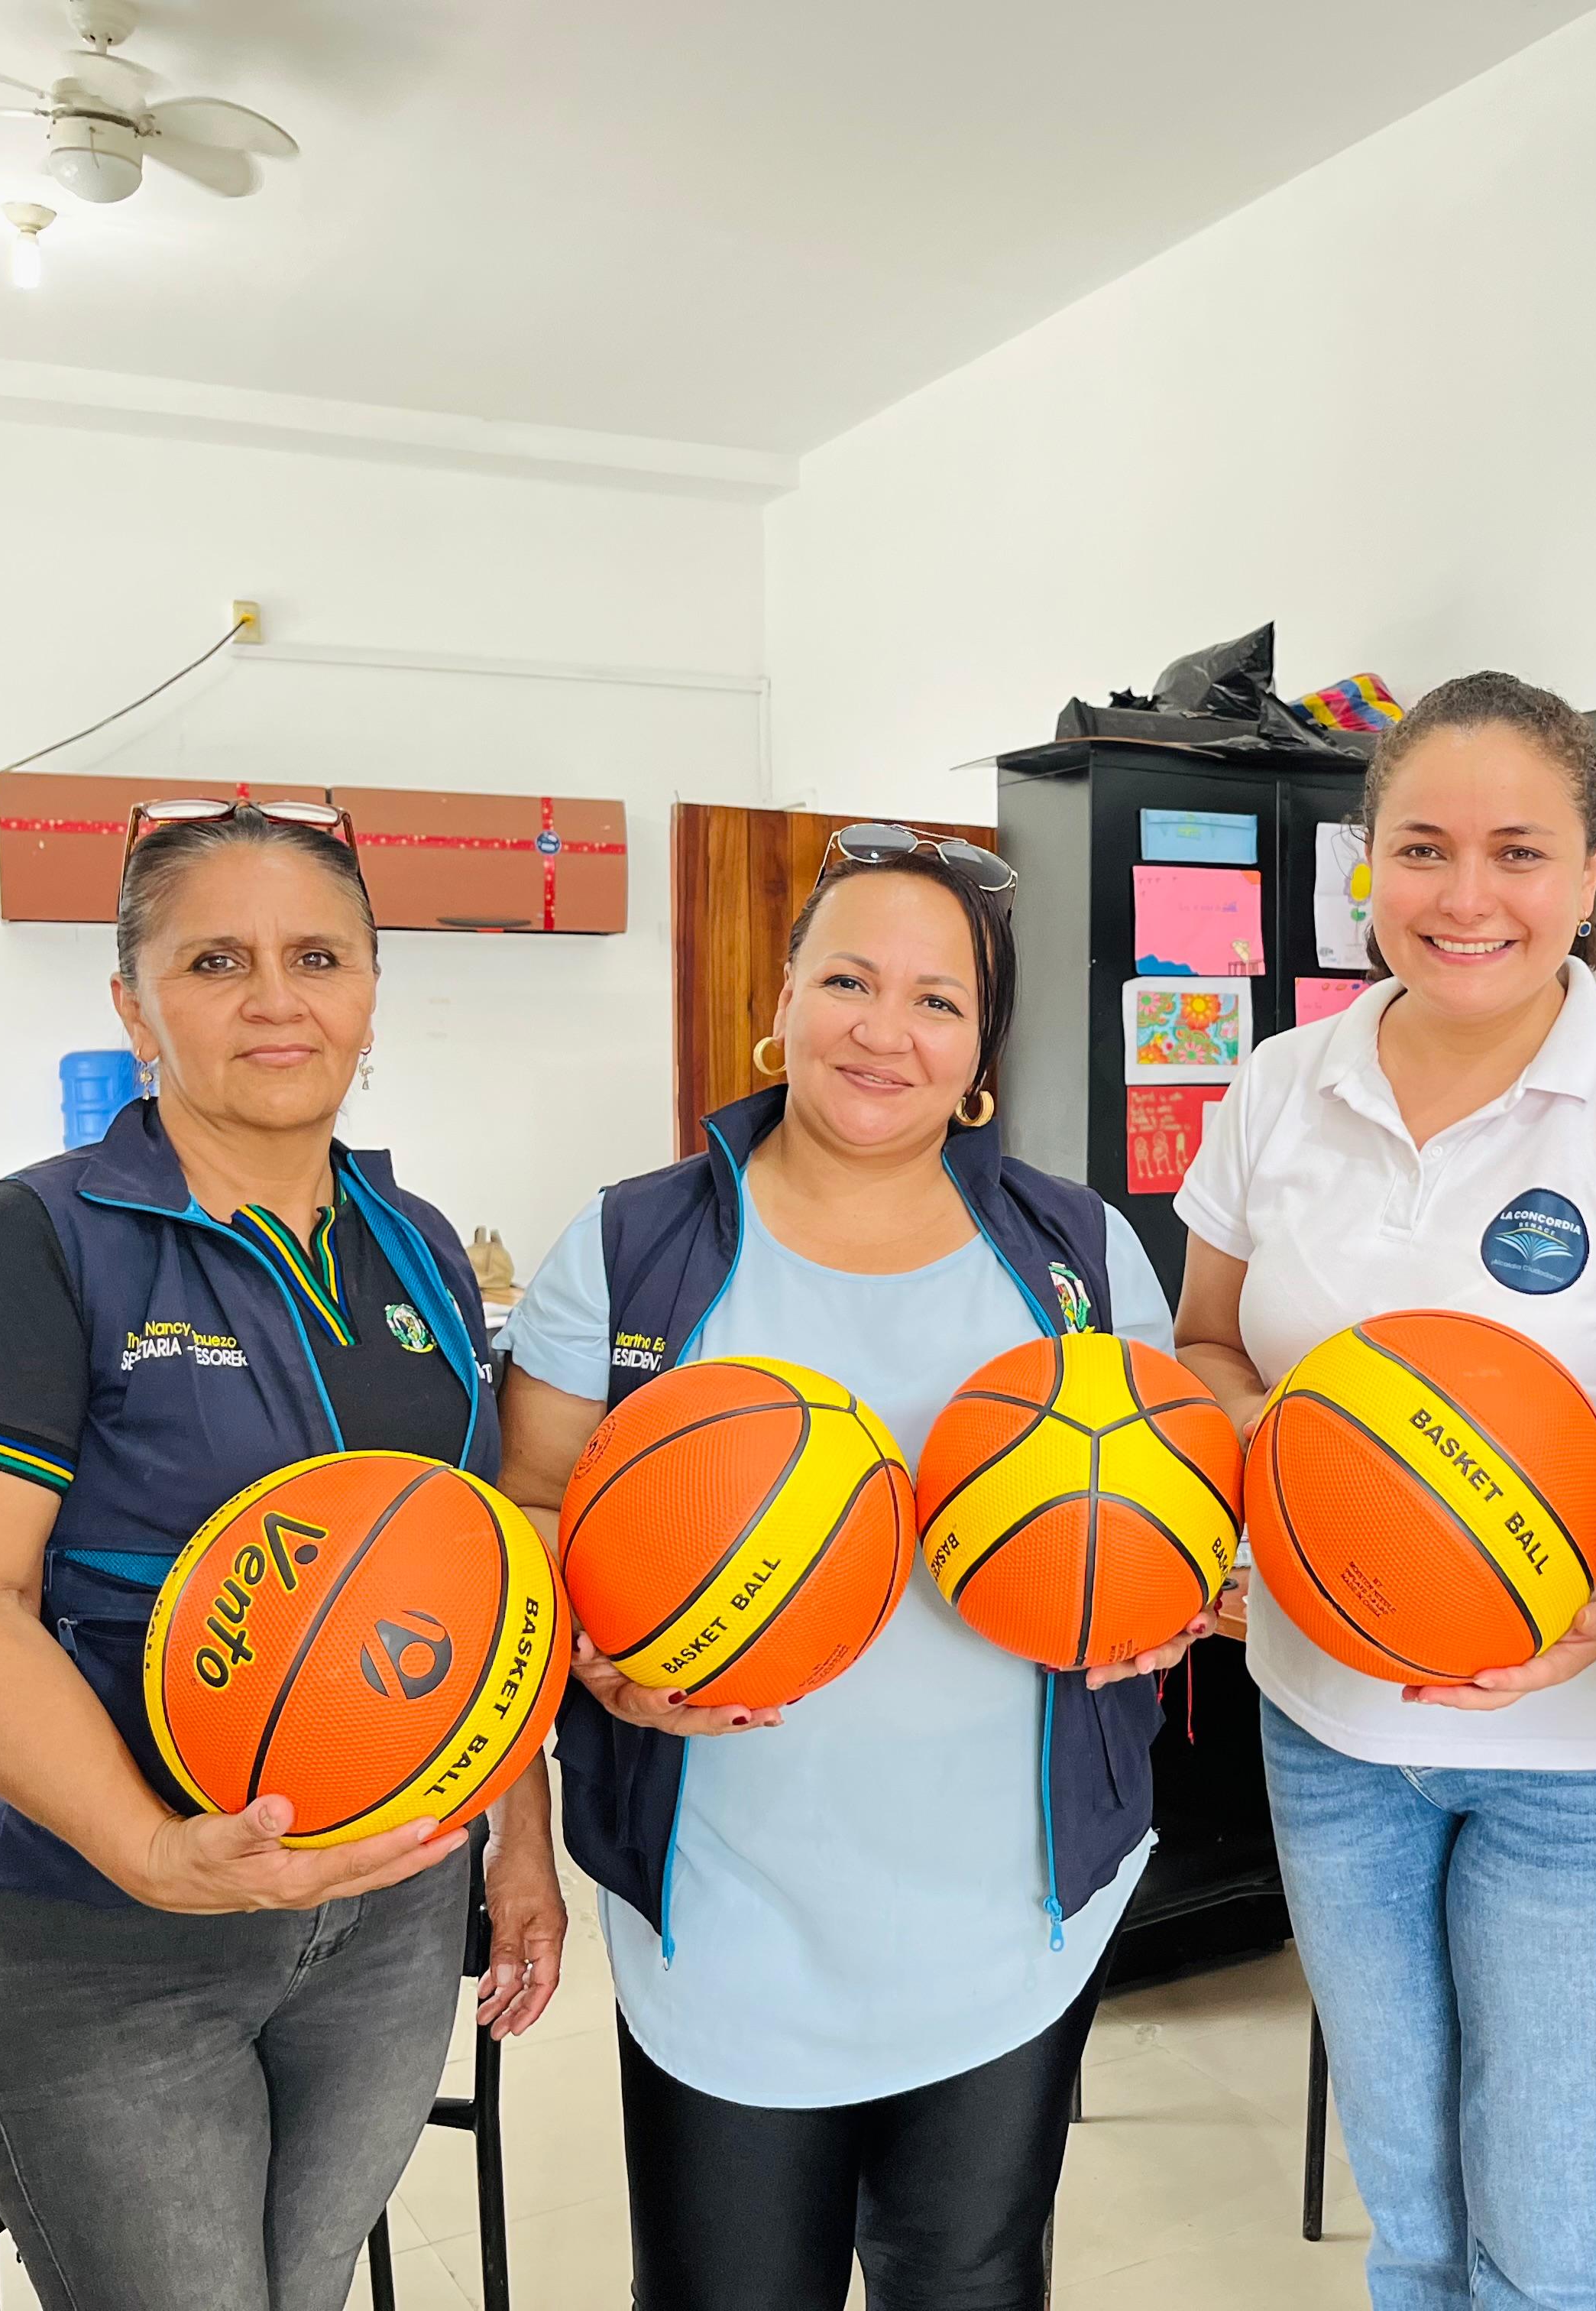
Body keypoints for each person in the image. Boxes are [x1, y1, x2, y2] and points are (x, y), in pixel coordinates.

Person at [0, 799, 566, 2311]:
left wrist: (521, 1833)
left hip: (384, 1926)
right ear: (133, 1004)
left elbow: (480, 1581)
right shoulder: (32, 1242)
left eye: (317, 956)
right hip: (105, 1936)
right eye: (213, 961)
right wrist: (155, 1853)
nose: (274, 999)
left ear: (369, 991)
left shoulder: (419, 1247)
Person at [500, 827, 1209, 2311]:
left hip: (1007, 1911)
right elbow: (528, 1521)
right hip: (727, 1916)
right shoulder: (632, 1249)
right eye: (849, 980)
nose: (887, 1030)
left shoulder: (1079, 1253)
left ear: (981, 1052)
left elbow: (1173, 1515)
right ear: (784, 1001)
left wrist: (1173, 1602)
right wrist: (595, 1669)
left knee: (973, 2282)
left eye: (938, 1000)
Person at [1170, 673, 1596, 2311]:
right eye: (1423, 849)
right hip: (1329, 1724)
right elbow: (1207, 1346)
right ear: (1366, 865)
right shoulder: (1276, 1087)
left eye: (1519, 851)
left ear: (1591, 871)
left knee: (1553, 2241)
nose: (1466, 897)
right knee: (1418, 2216)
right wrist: (1308, 1462)